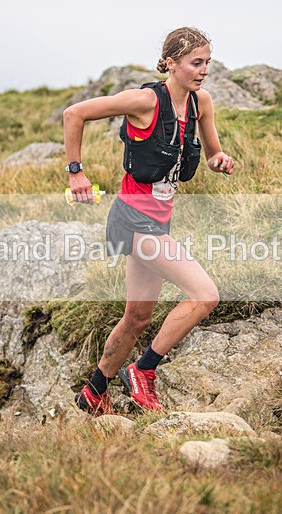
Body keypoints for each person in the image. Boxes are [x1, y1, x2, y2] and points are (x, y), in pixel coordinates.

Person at [63, 26, 236, 416]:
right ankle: (143, 371)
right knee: (205, 295)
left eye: (207, 62)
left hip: (160, 221)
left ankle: (94, 391)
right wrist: (76, 172)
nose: (203, 70)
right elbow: (74, 114)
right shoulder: (144, 101)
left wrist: (218, 161)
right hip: (133, 220)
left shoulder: (199, 103)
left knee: (137, 317)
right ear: (171, 64)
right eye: (196, 62)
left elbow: (211, 153)